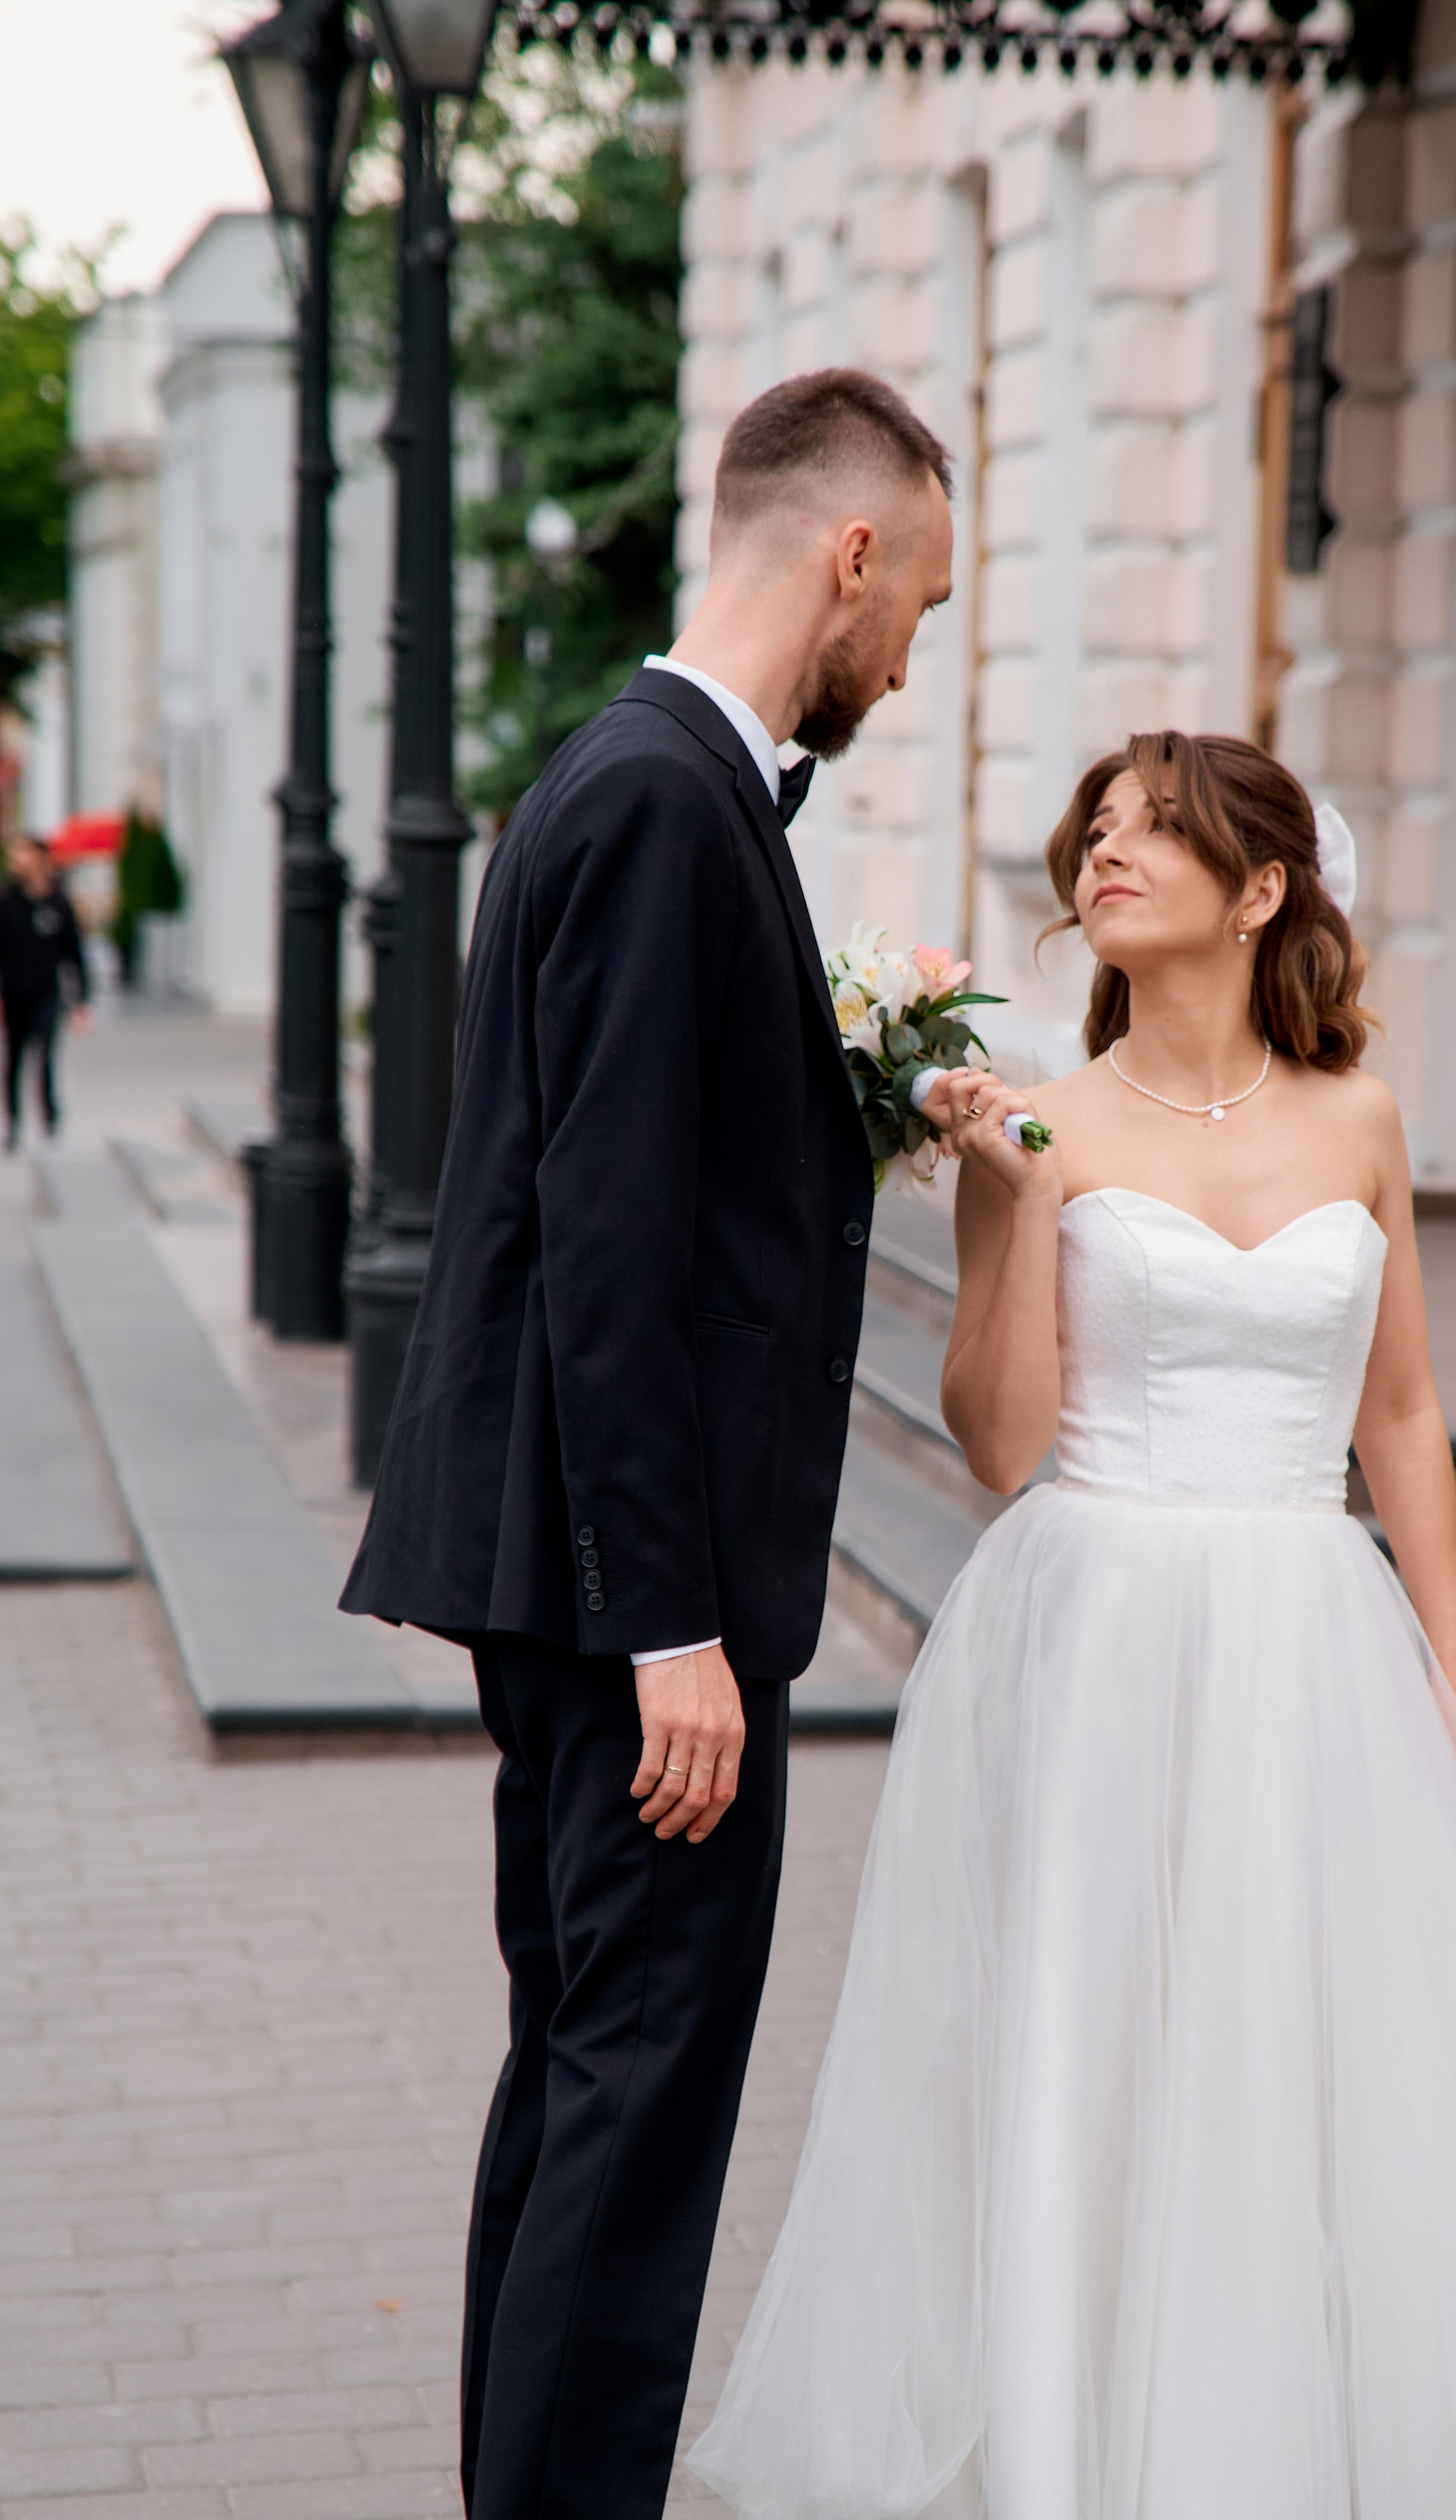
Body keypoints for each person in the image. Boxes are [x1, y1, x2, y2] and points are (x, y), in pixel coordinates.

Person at [692, 731, 1456, 2520]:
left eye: (1153, 829)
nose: (1106, 850)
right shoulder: (1039, 1112)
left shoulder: (1360, 1120)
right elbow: (999, 1442)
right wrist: (1023, 1188)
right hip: (1092, 1619)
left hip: (1311, 1636)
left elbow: (1394, 1412)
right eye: (1095, 827)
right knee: (1097, 2045)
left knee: (1312, 2047)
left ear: (1255, 892)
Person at [340, 368, 953, 2520]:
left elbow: (666, 1176)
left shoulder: (643, 787)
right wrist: (671, 1628)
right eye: (922, 609)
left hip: (613, 1583)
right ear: (849, 554)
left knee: (585, 2086)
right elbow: (594, 1250)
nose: (911, 655)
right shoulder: (652, 798)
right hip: (641, 1606)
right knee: (632, 2106)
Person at [0, 834, 91, 1151]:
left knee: (47, 1057)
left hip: (47, 993)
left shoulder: (59, 903)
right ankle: (13, 1121)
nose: (16, 863)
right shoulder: (7, 902)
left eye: (22, 856)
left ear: (40, 859)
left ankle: (50, 1118)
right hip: (13, 994)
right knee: (14, 1059)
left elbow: (74, 953)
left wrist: (81, 1000)